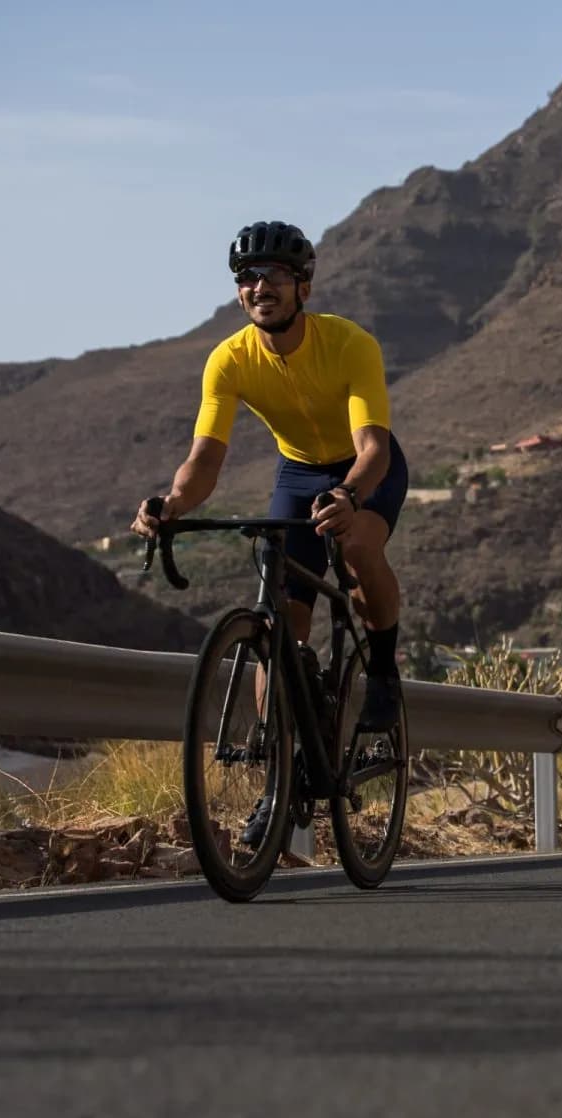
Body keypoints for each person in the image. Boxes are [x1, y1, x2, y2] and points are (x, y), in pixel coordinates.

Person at [133, 218, 409, 748]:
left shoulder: (350, 344)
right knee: (281, 622)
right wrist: (172, 502)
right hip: (299, 472)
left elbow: (374, 447)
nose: (261, 287)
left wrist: (350, 494)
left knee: (355, 548)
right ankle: (275, 770)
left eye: (276, 275)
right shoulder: (229, 360)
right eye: (248, 276)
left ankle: (381, 671)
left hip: (365, 466)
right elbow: (205, 459)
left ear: (303, 287)